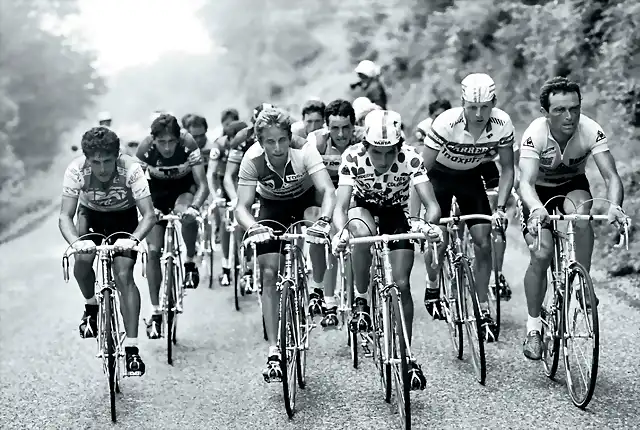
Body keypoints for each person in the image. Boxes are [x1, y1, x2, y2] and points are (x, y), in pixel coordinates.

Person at [332, 109, 442, 390]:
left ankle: (407, 354)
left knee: (402, 284)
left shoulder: (410, 157)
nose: (383, 160)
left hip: (396, 212)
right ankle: (360, 300)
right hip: (363, 209)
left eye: (389, 153)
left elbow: (432, 205)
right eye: (376, 153)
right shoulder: (352, 157)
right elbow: (341, 207)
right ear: (366, 146)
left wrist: (429, 226)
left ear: (398, 147)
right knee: (360, 233)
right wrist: (341, 232)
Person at [518, 76, 627, 360]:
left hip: (572, 187)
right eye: (560, 110)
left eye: (574, 108)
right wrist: (536, 208)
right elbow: (525, 183)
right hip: (536, 193)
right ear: (545, 113)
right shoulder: (535, 134)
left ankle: (580, 283)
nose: (569, 116)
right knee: (541, 254)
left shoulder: (590, 130)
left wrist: (615, 206)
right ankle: (533, 330)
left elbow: (611, 176)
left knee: (582, 214)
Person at [235, 107, 336, 383]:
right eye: (270, 141)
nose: (277, 147)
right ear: (260, 142)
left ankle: (317, 290)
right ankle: (273, 352)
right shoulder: (252, 158)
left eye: (281, 139)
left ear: (289, 137)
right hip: (271, 207)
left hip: (305, 201)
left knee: (314, 222)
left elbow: (327, 190)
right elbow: (241, 207)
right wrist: (253, 227)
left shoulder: (304, 150)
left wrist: (325, 221)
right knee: (269, 274)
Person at [419, 73, 515, 342]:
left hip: (470, 178)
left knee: (484, 240)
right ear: (462, 103)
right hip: (438, 177)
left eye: (485, 106)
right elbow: (420, 171)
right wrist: (418, 215)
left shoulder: (502, 123)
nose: (479, 113)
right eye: (472, 107)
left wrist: (500, 209)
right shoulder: (446, 123)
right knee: (438, 238)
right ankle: (433, 285)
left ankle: (483, 309)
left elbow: (507, 169)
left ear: (494, 102)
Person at [59, 126, 156, 376]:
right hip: (90, 216)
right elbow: (65, 216)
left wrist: (134, 239)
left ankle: (132, 349)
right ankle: (91, 308)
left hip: (124, 219)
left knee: (124, 275)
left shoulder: (132, 169)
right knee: (82, 259)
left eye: (108, 161)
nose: (102, 169)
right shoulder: (75, 170)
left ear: (118, 156)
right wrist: (75, 242)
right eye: (96, 162)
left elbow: (148, 215)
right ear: (87, 159)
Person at [136, 114, 209, 339]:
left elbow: (203, 185)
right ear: (154, 140)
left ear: (178, 139)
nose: (167, 148)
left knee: (184, 214)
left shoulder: (188, 143)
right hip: (155, 193)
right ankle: (155, 311)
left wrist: (195, 207)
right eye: (162, 142)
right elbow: (136, 188)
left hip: (183, 190)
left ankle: (189, 261)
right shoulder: (145, 148)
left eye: (171, 142)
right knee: (154, 251)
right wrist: (148, 211)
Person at [304, 99, 366, 328]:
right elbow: (309, 179)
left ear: (354, 126)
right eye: (335, 128)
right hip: (324, 192)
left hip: (353, 190)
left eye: (346, 128)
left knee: (354, 232)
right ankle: (320, 292)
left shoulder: (364, 138)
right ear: (327, 127)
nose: (340, 134)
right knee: (321, 229)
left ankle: (357, 294)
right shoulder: (317, 141)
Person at [207, 108, 240, 245]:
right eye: (227, 124)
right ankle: (219, 228)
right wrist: (215, 197)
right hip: (222, 180)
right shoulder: (219, 144)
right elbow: (211, 174)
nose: (230, 127)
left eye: (233, 123)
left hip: (239, 180)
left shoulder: (244, 141)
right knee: (220, 208)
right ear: (222, 125)